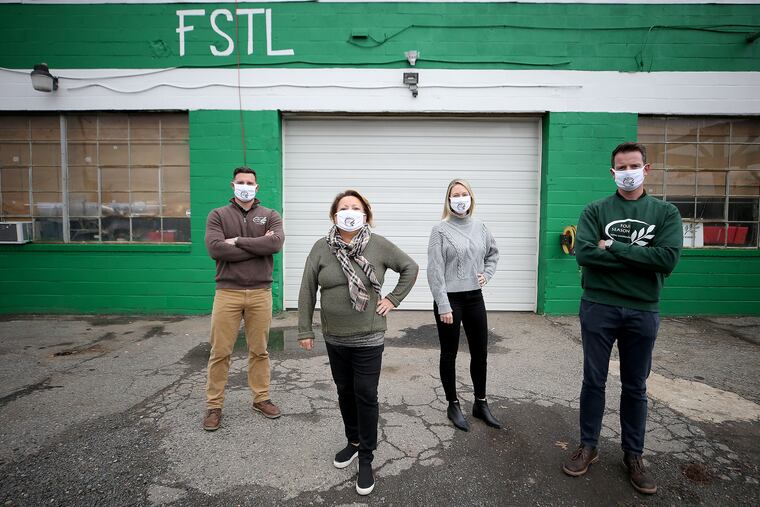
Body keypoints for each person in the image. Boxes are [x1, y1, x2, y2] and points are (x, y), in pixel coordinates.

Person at [562, 142, 683, 495]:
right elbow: (585, 254)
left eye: (634, 165)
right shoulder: (596, 210)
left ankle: (634, 455)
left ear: (646, 169)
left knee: (635, 385)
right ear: (612, 172)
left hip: (643, 310)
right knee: (593, 381)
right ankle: (588, 446)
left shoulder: (665, 213)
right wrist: (640, 258)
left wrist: (613, 246)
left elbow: (666, 259)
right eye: (621, 167)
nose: (628, 172)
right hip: (598, 305)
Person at [297, 190, 418, 496]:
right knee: (344, 391)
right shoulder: (321, 247)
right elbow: (307, 289)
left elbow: (410, 267)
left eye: (355, 207)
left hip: (369, 335)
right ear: (334, 215)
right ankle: (352, 441)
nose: (349, 212)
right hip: (334, 336)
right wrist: (304, 330)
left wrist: (393, 299)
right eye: (344, 207)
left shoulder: (378, 245)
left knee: (365, 393)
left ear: (365, 214)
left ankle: (366, 456)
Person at [202, 166, 285, 431]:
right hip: (228, 293)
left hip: (260, 293)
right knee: (220, 352)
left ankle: (261, 399)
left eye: (250, 183)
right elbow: (216, 250)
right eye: (241, 182)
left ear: (257, 187)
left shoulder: (270, 215)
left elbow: (275, 245)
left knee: (259, 350)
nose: (245, 186)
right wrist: (259, 245)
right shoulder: (218, 215)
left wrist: (236, 240)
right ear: (233, 185)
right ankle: (214, 406)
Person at [427, 179, 501, 432]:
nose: (460, 198)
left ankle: (481, 403)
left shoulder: (481, 227)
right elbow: (434, 270)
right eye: (455, 194)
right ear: (448, 200)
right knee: (449, 353)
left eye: (464, 193)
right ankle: (453, 404)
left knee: (480, 353)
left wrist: (486, 274)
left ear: (471, 197)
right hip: (450, 300)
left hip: (474, 298)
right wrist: (443, 304)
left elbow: (493, 253)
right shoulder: (439, 230)